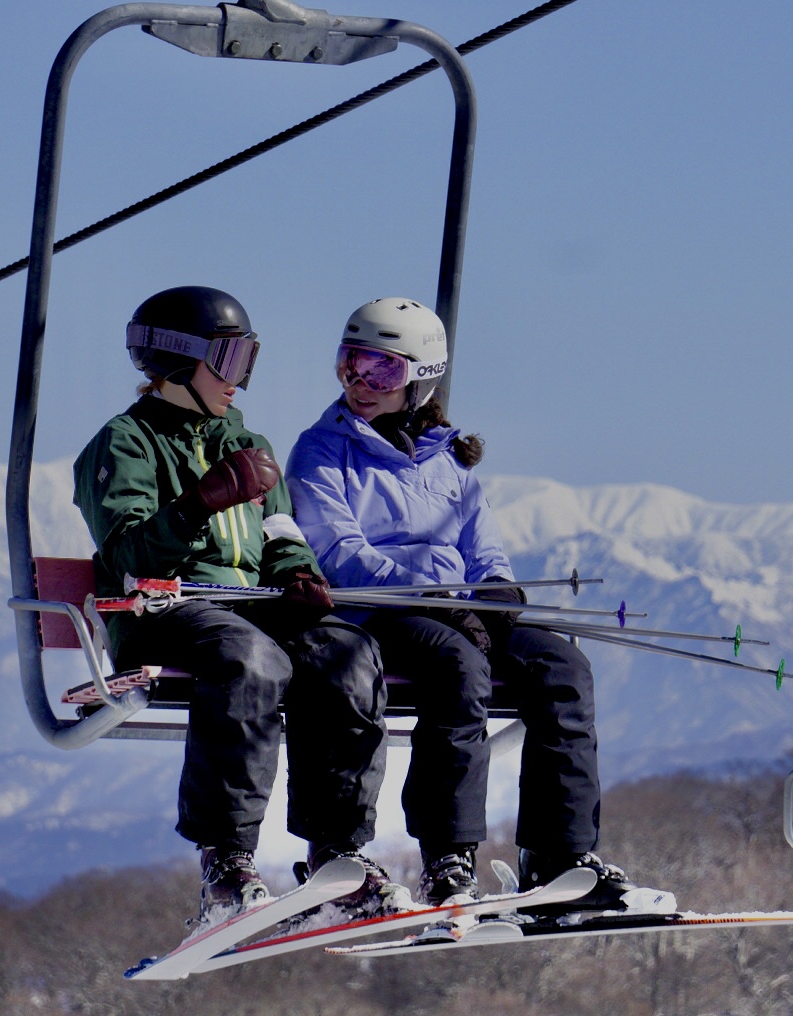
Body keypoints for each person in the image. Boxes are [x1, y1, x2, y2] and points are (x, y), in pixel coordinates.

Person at [286, 297, 668, 912]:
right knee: (457, 668)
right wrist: (434, 597)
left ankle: (558, 855)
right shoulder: (322, 451)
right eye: (350, 364)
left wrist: (496, 594)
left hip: (454, 610)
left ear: (420, 379)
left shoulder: (450, 459)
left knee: (562, 669)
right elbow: (341, 553)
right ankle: (448, 857)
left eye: (381, 371)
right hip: (375, 609)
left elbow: (482, 546)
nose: (360, 382)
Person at [73, 285, 400, 927]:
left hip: (248, 605)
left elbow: (279, 533)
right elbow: (129, 557)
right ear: (175, 360)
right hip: (164, 612)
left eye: (246, 361)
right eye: (227, 362)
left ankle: (337, 857)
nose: (239, 382)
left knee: (348, 654)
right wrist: (198, 503)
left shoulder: (244, 439)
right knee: (249, 660)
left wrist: (299, 573)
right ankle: (227, 864)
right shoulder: (125, 443)